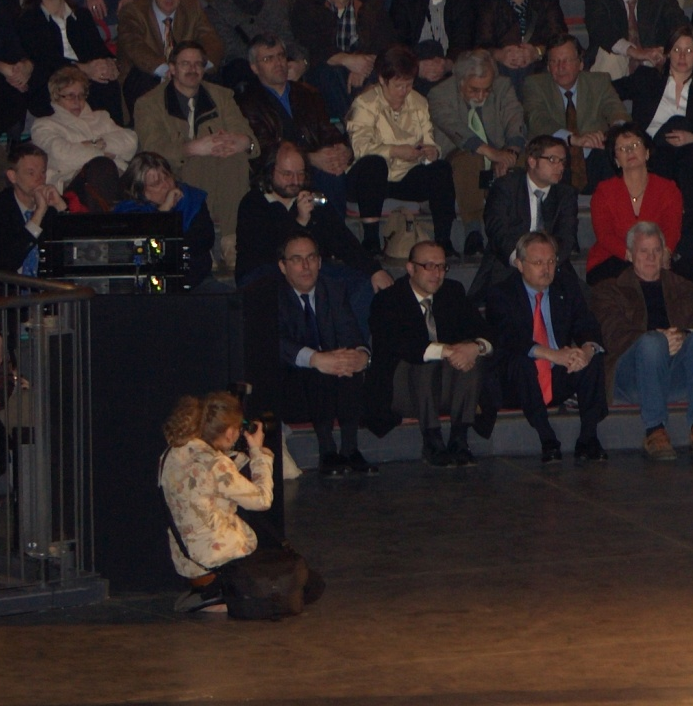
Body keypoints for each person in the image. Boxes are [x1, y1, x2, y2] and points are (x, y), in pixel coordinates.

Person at [588, 218, 693, 461]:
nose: (651, 257)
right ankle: (654, 429)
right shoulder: (609, 290)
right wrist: (657, 337)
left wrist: (682, 336)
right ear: (629, 255)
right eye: (643, 251)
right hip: (632, 376)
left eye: (656, 250)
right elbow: (613, 335)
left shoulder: (684, 287)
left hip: (676, 375)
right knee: (652, 343)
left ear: (664, 253)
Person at [484, 230, 608, 462]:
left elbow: (586, 323)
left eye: (551, 261)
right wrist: (553, 355)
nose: (547, 269)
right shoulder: (501, 293)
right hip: (518, 380)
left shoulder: (566, 286)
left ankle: (588, 437)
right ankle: (547, 437)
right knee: (522, 361)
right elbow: (510, 338)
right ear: (520, 264)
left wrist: (586, 352)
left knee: (594, 358)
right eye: (538, 262)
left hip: (558, 372)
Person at [156, 391, 281, 615]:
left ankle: (210, 594)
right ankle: (223, 596)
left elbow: (205, 479)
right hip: (214, 559)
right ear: (231, 432)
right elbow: (263, 500)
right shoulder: (216, 464)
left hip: (187, 558)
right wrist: (258, 453)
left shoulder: (171, 453)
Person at [369, 238, 490, 466]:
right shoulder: (388, 299)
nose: (437, 273)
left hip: (447, 387)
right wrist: (444, 351)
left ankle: (459, 438)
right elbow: (397, 345)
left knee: (469, 357)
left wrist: (475, 347)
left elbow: (484, 331)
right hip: (404, 390)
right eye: (429, 266)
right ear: (410, 268)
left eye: (441, 266)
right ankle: (432, 438)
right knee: (425, 360)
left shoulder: (452, 292)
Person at [265, 231, 376, 475]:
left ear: (320, 262)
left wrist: (361, 355)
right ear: (283, 266)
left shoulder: (333, 289)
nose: (305, 266)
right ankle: (327, 450)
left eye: (311, 257)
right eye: (296, 259)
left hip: (335, 383)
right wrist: (315, 358)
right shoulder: (271, 295)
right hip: (290, 386)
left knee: (347, 363)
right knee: (320, 365)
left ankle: (350, 449)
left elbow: (351, 332)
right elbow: (276, 342)